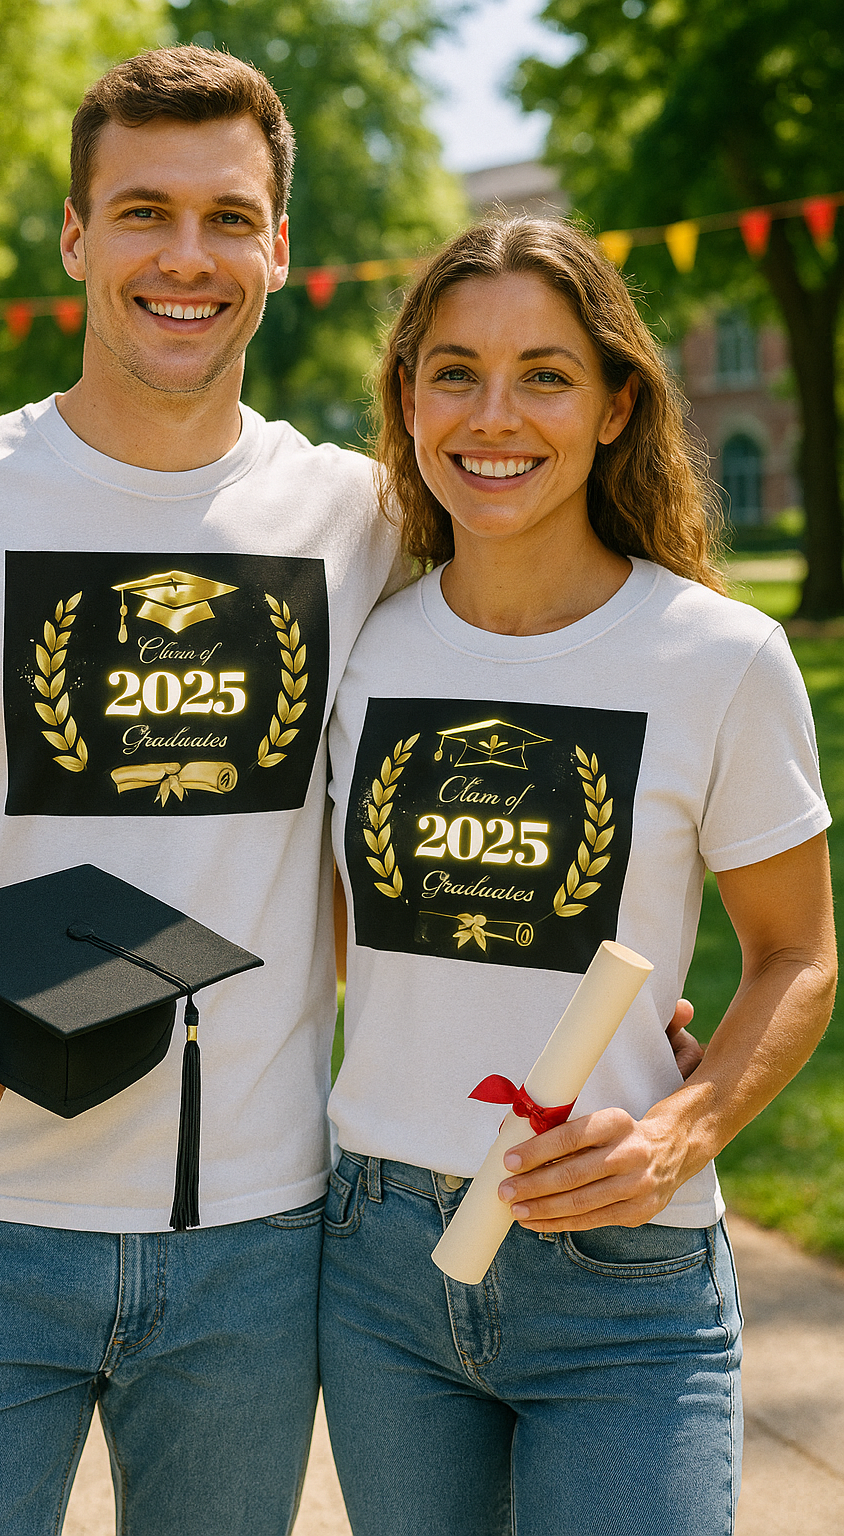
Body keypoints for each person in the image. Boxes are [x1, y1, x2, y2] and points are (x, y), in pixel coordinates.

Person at [0, 47, 401, 1536]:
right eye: (143, 211)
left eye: (228, 215)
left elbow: (541, 698)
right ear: (76, 239)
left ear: (282, 244)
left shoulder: (366, 517)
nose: (186, 257)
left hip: (259, 1237)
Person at [320, 216, 836, 1536]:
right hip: (376, 1261)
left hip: (622, 1275)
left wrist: (681, 1131)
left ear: (616, 404)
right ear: (408, 398)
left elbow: (795, 954)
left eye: (545, 373)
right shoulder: (358, 646)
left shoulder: (717, 658)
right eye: (454, 371)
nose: (495, 416)